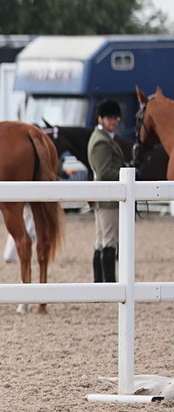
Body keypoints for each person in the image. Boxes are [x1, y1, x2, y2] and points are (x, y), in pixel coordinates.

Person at [88, 99, 124, 283]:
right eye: (109, 118)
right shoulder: (101, 142)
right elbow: (105, 172)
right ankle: (108, 282)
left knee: (101, 240)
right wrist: (126, 174)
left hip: (104, 197)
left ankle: (99, 282)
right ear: (100, 119)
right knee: (109, 240)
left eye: (115, 118)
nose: (114, 121)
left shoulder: (104, 138)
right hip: (107, 198)